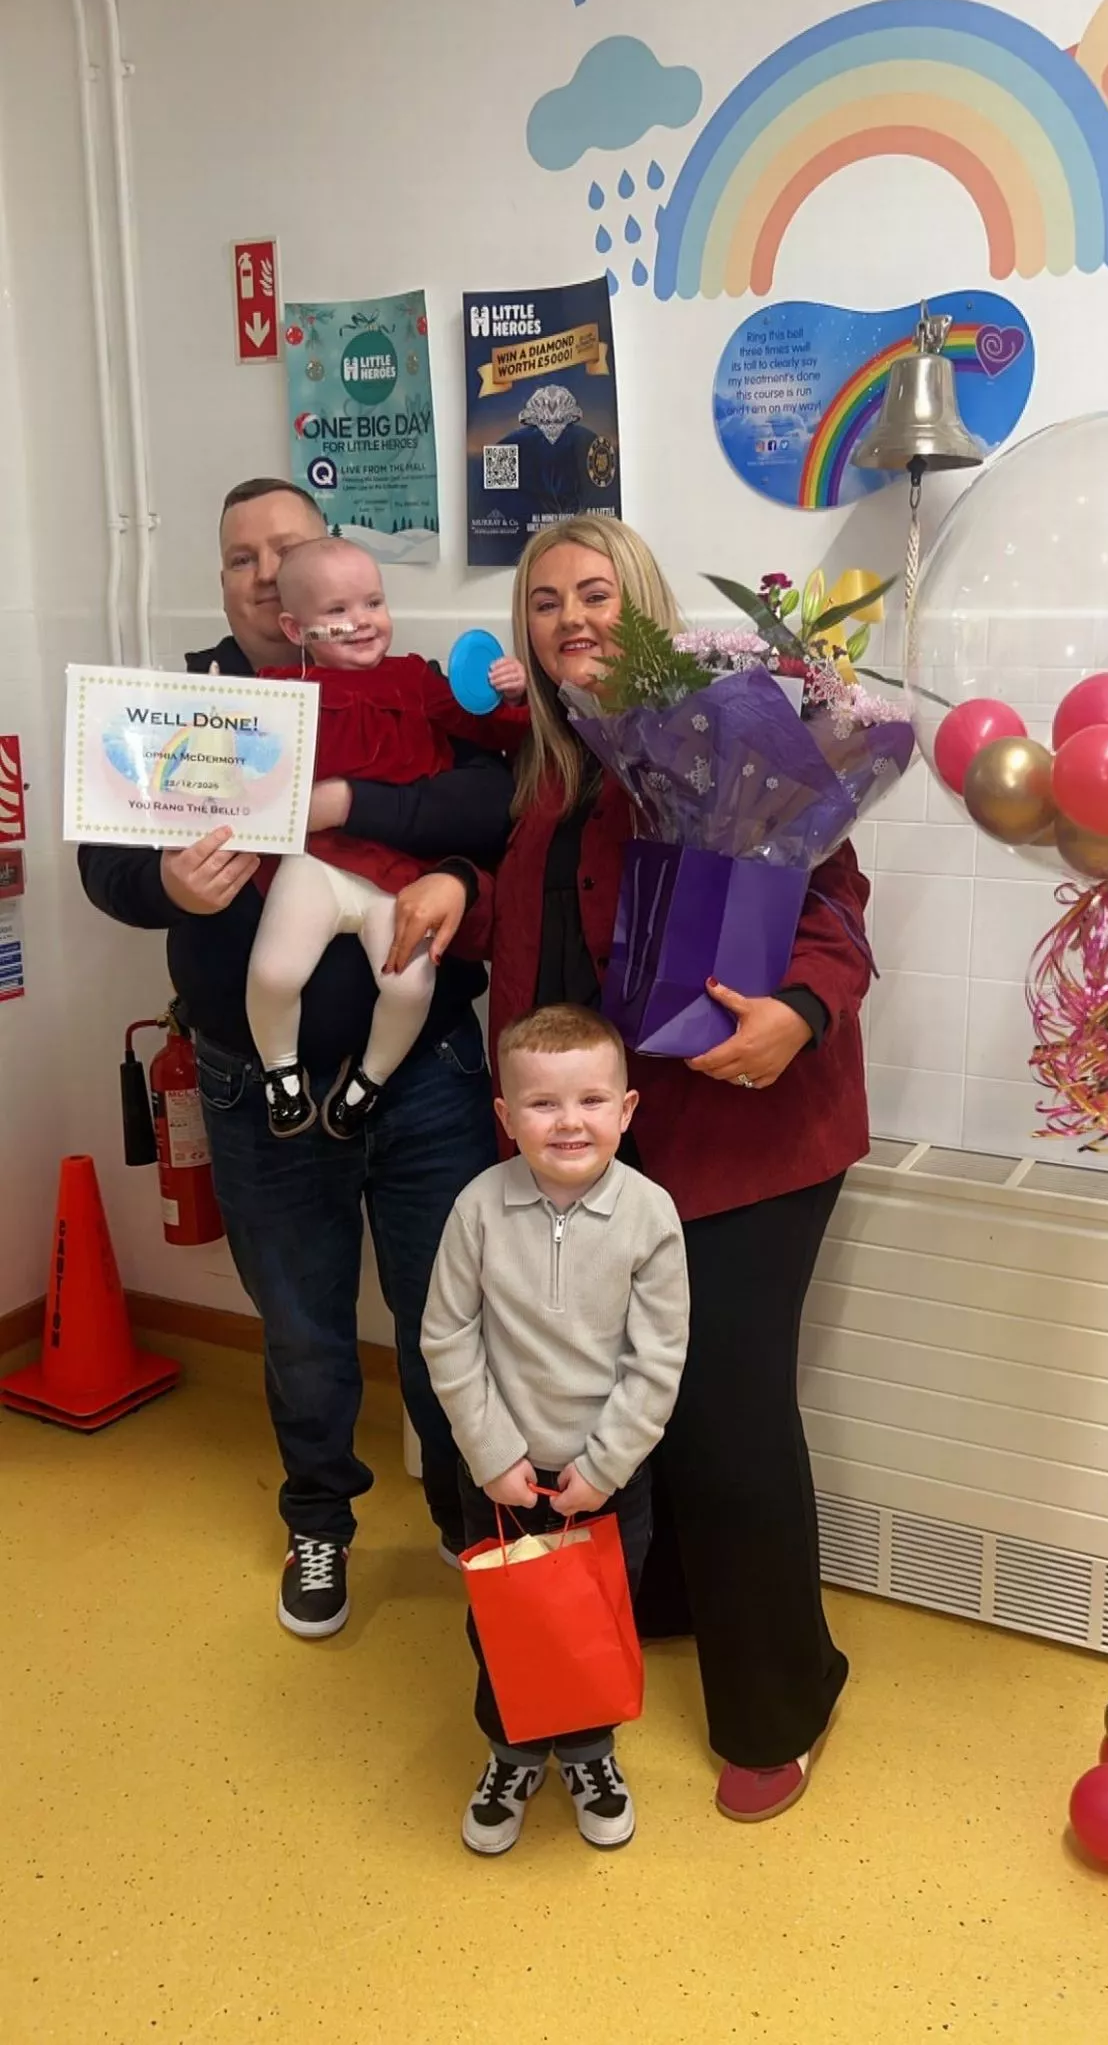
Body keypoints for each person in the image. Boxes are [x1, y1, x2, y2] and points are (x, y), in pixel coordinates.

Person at [391, 514, 873, 1823]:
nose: (569, 622)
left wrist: (799, 1016)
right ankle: (659, 1609)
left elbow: (836, 908)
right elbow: (546, 909)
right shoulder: (553, 773)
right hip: (594, 1154)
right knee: (611, 1399)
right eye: (542, 603)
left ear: (646, 605)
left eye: (595, 594)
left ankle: (780, 1701)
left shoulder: (730, 734)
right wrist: (453, 889)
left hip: (746, 1137)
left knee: (724, 1415)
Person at [78, 477, 514, 1635]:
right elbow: (103, 862)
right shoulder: (190, 706)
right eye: (241, 560)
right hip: (252, 1081)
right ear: (225, 586)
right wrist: (162, 879)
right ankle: (319, 1523)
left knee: (455, 1316)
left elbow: (497, 805)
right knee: (305, 1333)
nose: (266, 575)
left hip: (425, 1078)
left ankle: (483, 1533)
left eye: (288, 550)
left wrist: (346, 799)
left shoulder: (418, 694)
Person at [421, 1004, 689, 1856]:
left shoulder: (651, 1217)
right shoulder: (477, 1208)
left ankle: (588, 1753)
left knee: (596, 1621)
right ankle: (510, 1751)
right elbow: (447, 1335)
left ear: (627, 1109)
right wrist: (492, 1453)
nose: (568, 1121)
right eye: (541, 1103)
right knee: (503, 1622)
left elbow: (657, 1360)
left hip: (607, 1479)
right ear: (504, 1115)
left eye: (590, 1100)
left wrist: (605, 1466)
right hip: (497, 1474)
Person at [247, 536, 526, 1140]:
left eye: (373, 602)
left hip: (400, 872)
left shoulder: (416, 680)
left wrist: (510, 693)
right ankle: (281, 1075)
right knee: (273, 971)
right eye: (338, 611)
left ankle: (367, 1083)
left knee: (411, 983)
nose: (362, 622)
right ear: (297, 629)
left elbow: (487, 726)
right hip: (319, 864)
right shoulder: (274, 694)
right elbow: (237, 770)